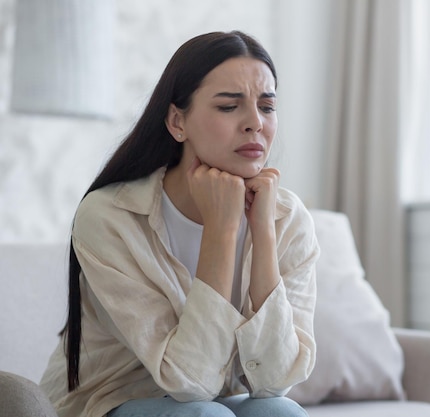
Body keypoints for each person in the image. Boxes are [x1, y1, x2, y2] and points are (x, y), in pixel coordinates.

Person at [40, 31, 320, 417]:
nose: (255, 123)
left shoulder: (286, 217)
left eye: (267, 107)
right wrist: (222, 230)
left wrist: (264, 232)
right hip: (114, 402)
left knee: (281, 411)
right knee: (206, 415)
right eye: (228, 107)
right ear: (177, 121)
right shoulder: (110, 217)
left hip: (212, 403)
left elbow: (274, 381)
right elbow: (192, 384)